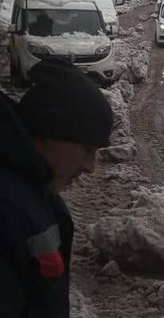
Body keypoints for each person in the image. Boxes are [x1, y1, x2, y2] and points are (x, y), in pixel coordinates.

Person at [0, 60, 113, 317]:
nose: (90, 167)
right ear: (50, 135)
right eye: (86, 150)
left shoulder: (34, 191)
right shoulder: (7, 208)